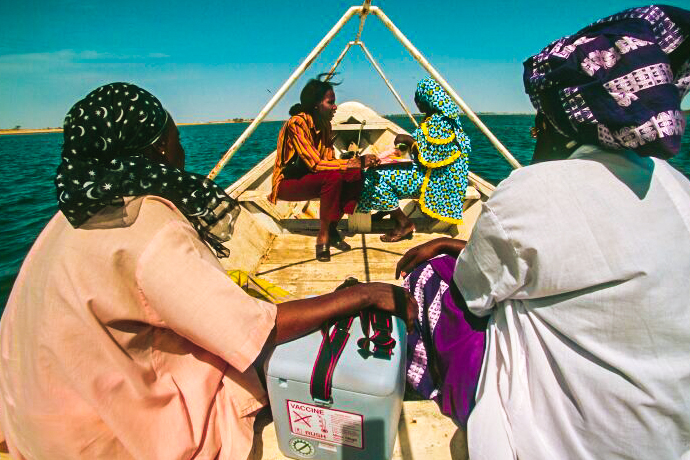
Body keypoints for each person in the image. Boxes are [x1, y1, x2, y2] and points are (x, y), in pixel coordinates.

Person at [0, 82, 416, 460]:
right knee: (257, 372)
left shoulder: (67, 217)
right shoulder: (151, 227)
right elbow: (257, 331)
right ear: (158, 149)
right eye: (177, 139)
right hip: (100, 443)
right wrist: (362, 295)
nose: (182, 152)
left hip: (33, 426)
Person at [397, 5, 690, 459]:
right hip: (665, 437)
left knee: (433, 276)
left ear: (559, 122)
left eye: (539, 120)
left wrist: (450, 257)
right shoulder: (679, 187)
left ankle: (454, 404)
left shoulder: (532, 192)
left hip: (554, 444)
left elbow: (473, 293)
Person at [268, 75, 380, 262]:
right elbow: (316, 164)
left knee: (354, 174)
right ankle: (323, 236)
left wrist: (356, 165)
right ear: (316, 105)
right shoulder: (297, 123)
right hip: (288, 183)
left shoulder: (326, 125)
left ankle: (331, 228)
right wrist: (356, 161)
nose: (335, 107)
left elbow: (329, 160)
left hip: (313, 178)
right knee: (335, 176)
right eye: (331, 103)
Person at [357, 77, 471, 242]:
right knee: (376, 169)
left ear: (428, 99)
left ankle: (404, 223)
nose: (416, 102)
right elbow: (428, 152)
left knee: (373, 178)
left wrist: (409, 141)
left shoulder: (440, 124)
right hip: (429, 173)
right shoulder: (437, 120)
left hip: (434, 180)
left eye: (418, 99)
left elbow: (430, 158)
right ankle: (386, 209)